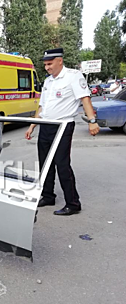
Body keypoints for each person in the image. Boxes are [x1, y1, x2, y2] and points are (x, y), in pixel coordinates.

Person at [25, 48, 100, 216]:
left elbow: (85, 99)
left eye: (50, 64)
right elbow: (42, 106)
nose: (47, 68)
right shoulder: (48, 81)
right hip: (45, 125)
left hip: (63, 126)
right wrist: (33, 125)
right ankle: (48, 195)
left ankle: (73, 203)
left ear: (60, 61)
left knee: (62, 165)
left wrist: (92, 121)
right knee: (45, 164)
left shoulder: (73, 76)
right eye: (45, 65)